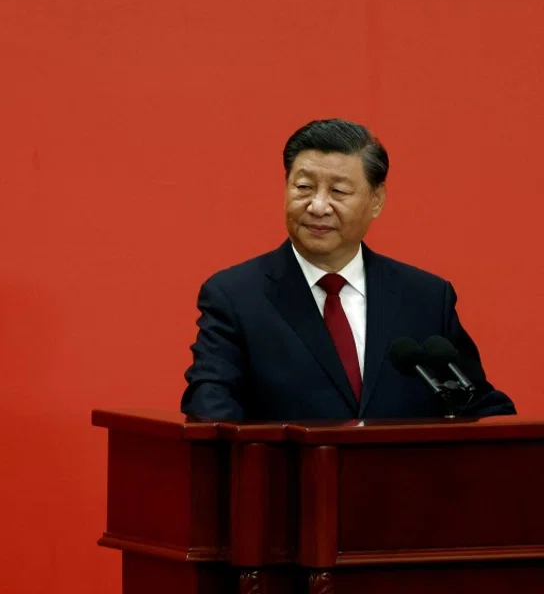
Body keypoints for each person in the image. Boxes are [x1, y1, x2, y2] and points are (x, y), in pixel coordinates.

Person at [181, 119, 516, 421]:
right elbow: (211, 407)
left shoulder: (426, 297)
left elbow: (476, 404)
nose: (318, 205)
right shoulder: (236, 297)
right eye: (303, 188)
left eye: (338, 191)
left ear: (376, 200)